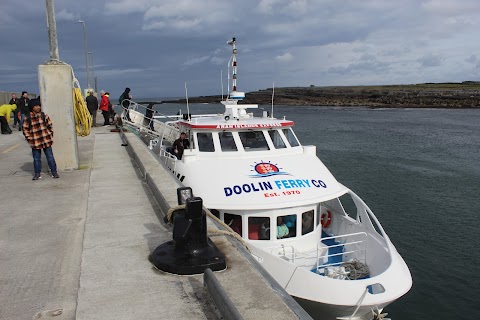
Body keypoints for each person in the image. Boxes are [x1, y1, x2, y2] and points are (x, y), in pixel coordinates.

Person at [22, 98, 59, 180]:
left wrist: (50, 135)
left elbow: (50, 126)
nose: (38, 107)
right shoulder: (28, 118)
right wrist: (29, 139)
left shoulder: (43, 115)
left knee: (50, 157)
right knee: (36, 159)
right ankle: (37, 174)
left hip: (46, 140)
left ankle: (54, 172)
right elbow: (25, 129)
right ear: (32, 107)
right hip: (35, 142)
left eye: (39, 106)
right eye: (36, 106)